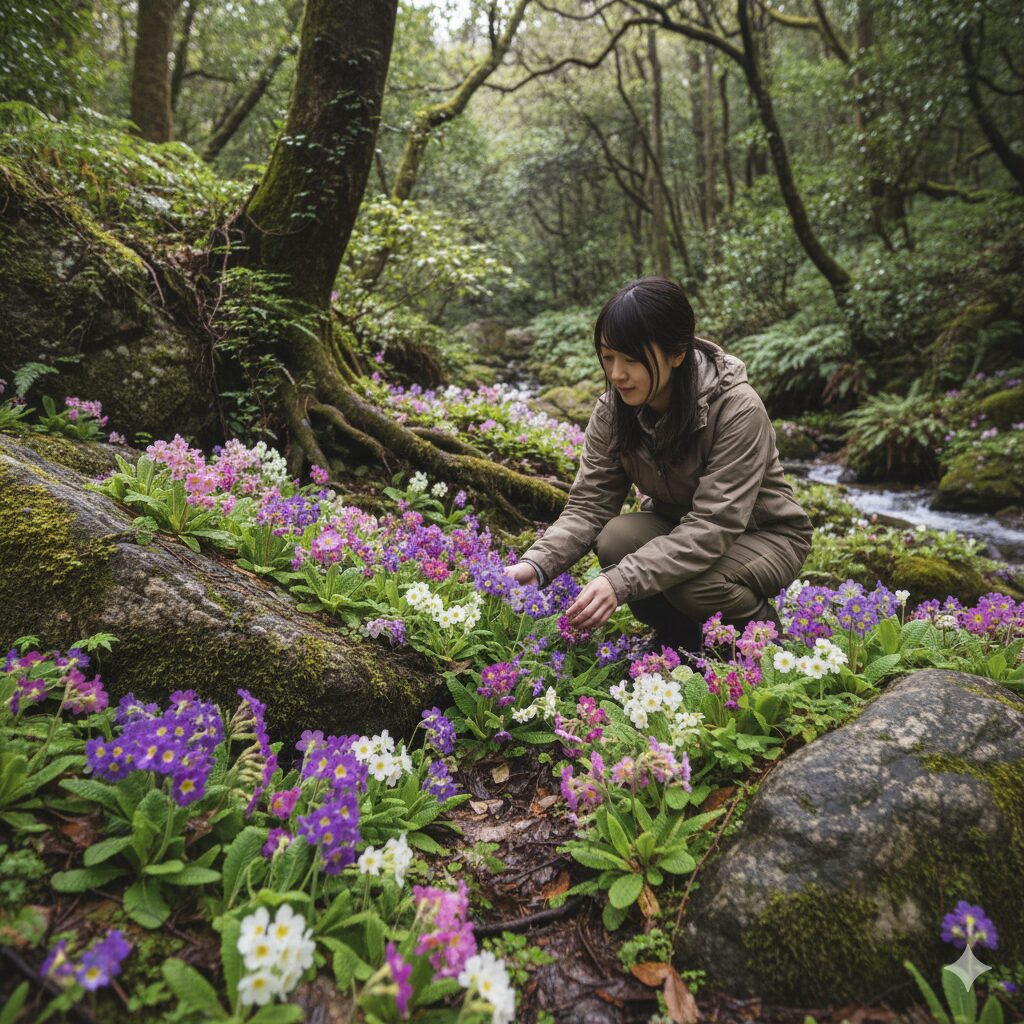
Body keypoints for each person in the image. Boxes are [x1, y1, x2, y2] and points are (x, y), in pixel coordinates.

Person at [504, 277, 813, 652]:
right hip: (682, 524)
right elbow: (588, 506)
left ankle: (760, 641)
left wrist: (620, 582)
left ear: (677, 353)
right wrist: (535, 565)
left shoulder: (737, 408)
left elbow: (714, 524)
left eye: (632, 359)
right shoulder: (613, 411)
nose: (617, 374)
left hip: (763, 535)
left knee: (695, 584)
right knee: (616, 539)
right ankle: (680, 640)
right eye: (608, 357)